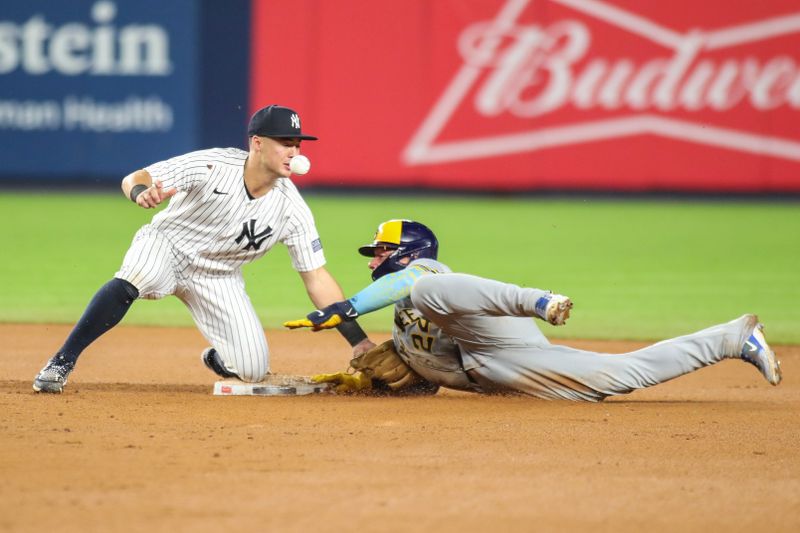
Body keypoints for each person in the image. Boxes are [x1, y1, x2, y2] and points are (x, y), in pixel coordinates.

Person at [33, 105, 373, 393]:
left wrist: (358, 340)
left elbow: (316, 277)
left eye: (297, 144)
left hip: (219, 277)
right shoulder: (213, 165)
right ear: (257, 143)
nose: (294, 153)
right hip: (167, 247)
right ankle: (61, 362)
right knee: (138, 275)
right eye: (285, 143)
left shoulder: (292, 209)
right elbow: (135, 178)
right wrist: (141, 193)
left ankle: (217, 358)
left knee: (252, 369)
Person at [284, 219, 782, 401]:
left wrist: (346, 307)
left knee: (432, 291)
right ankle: (731, 337)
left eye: (380, 250)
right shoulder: (400, 300)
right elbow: (427, 371)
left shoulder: (426, 275)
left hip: (501, 340)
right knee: (611, 381)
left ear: (408, 253)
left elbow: (412, 282)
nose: (374, 257)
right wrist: (386, 375)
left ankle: (539, 298)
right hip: (493, 371)